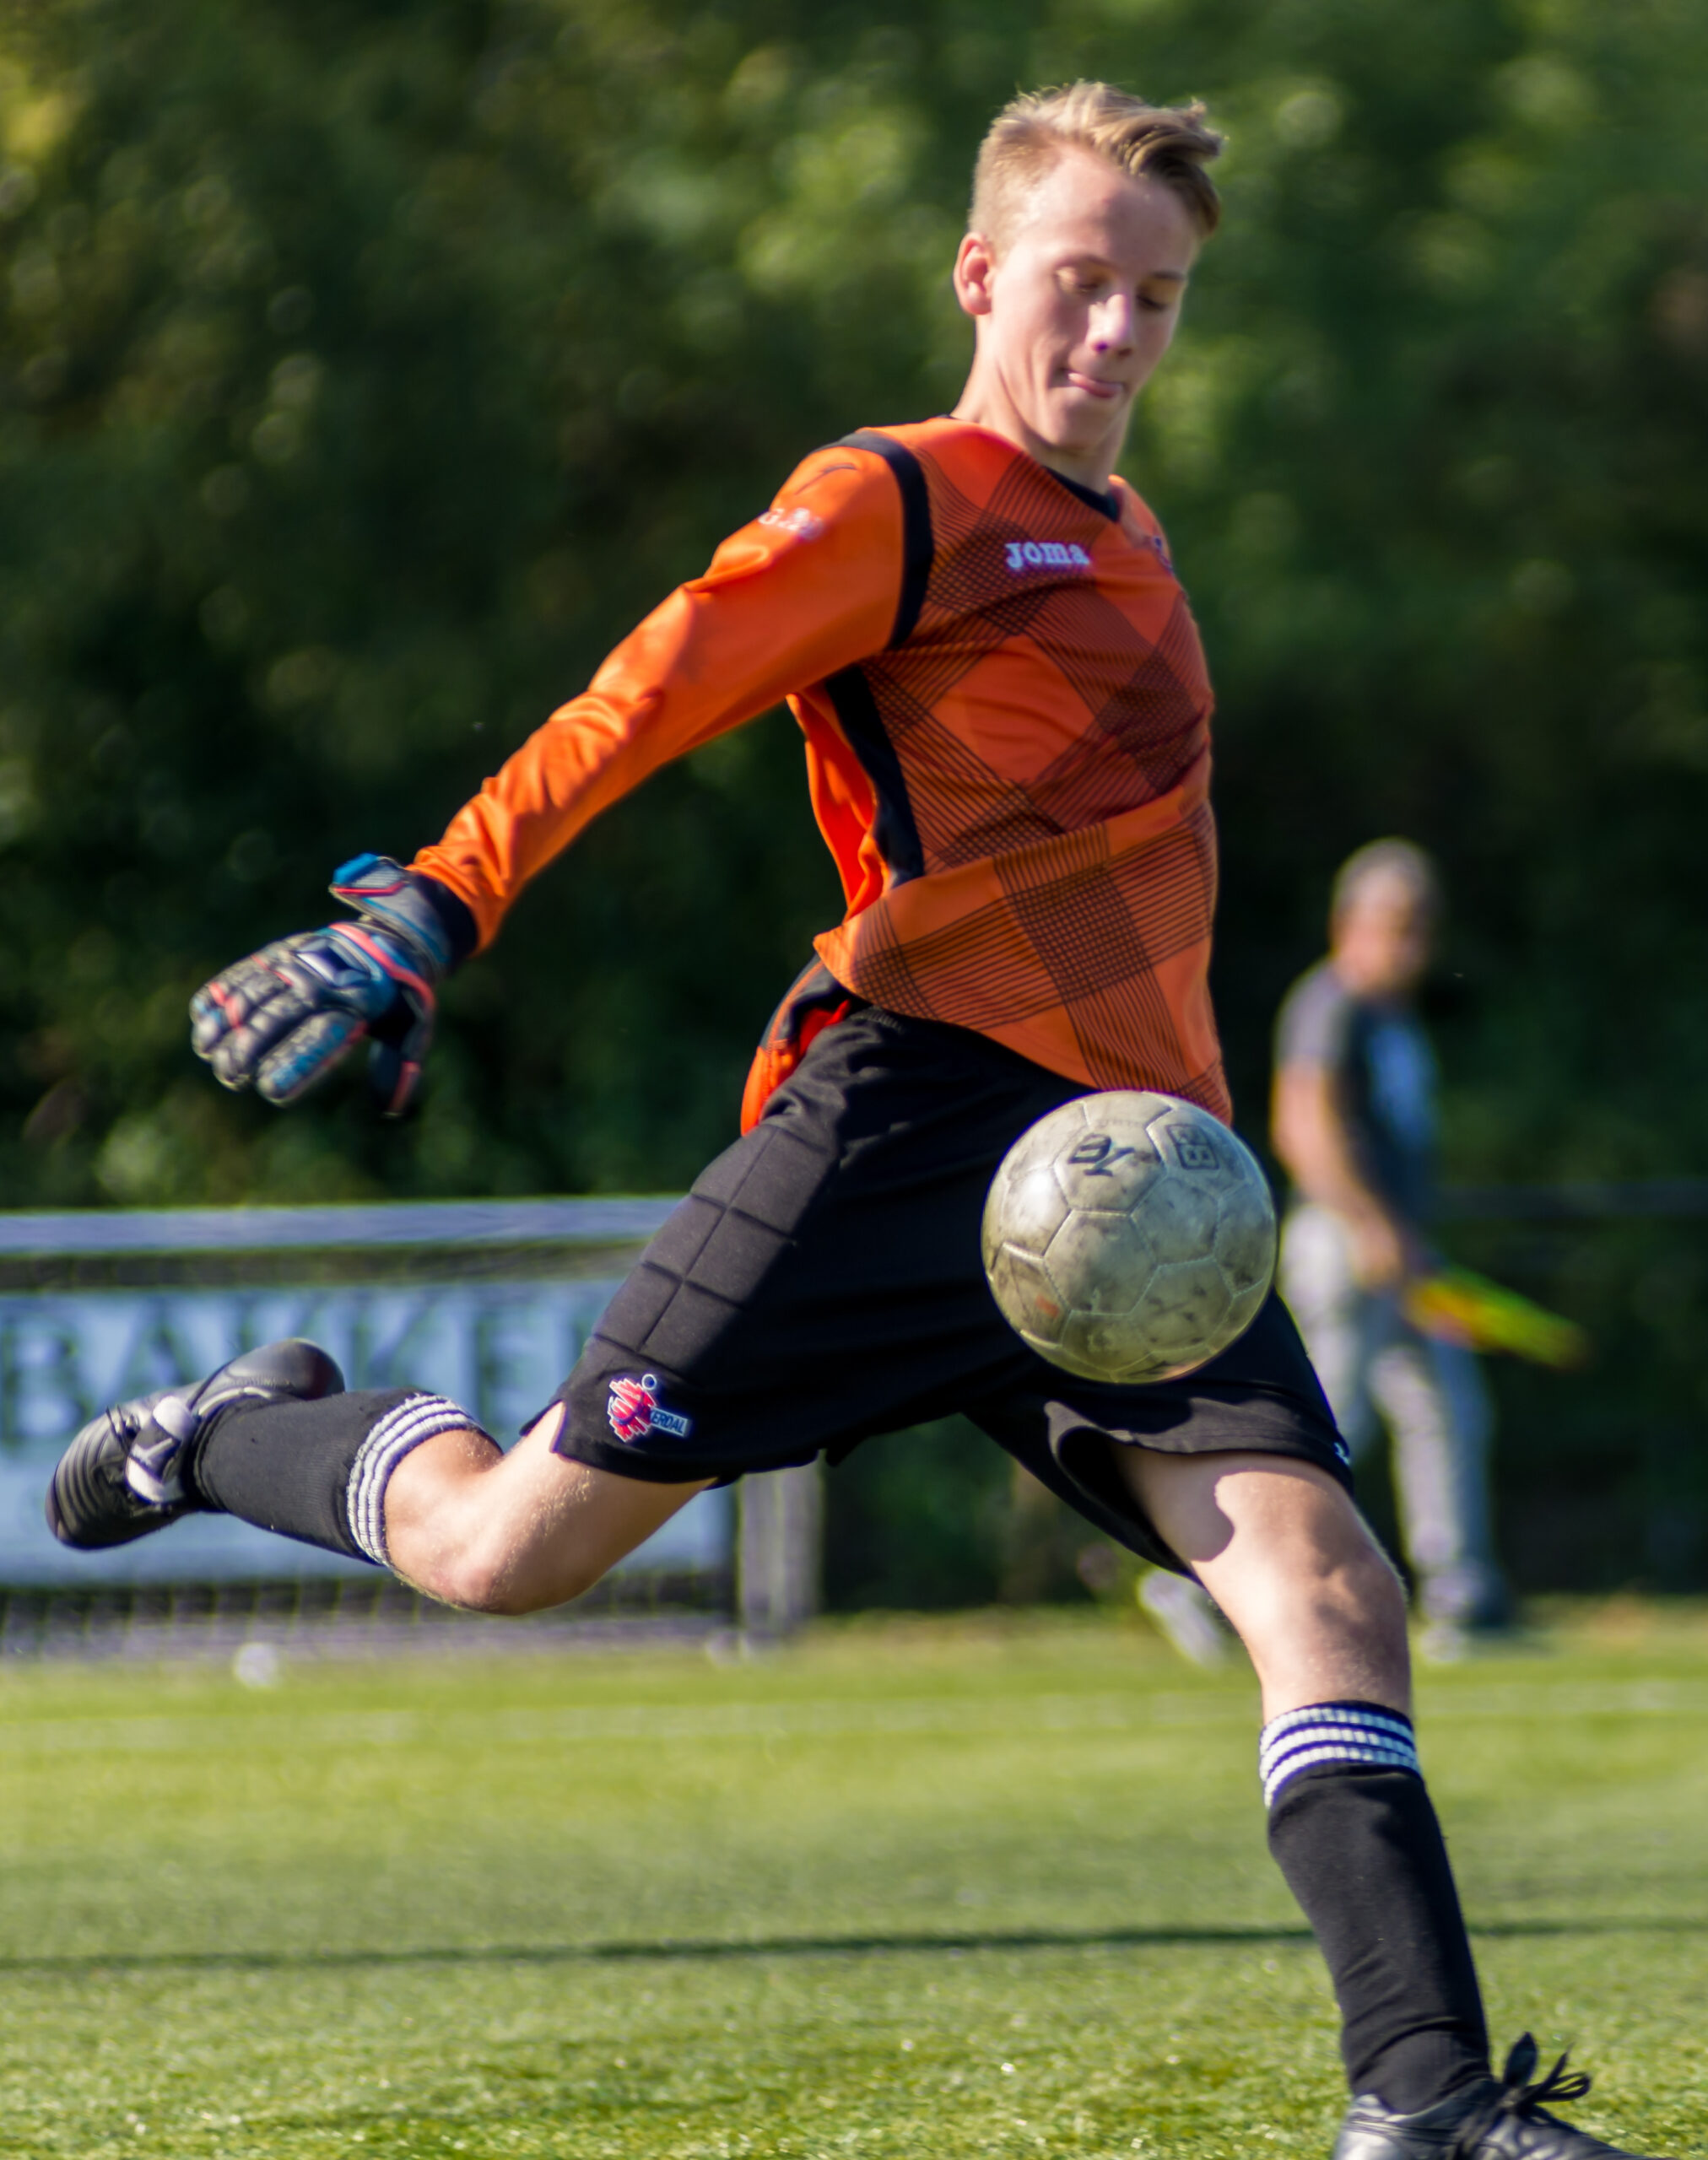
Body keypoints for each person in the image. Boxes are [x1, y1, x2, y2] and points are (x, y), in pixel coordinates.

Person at [46, 85, 1661, 2160]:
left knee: (1330, 1582)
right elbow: (660, 681)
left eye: (1155, 299)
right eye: (1080, 283)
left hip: (1130, 1188)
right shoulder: (906, 496)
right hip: (903, 1124)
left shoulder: (1140, 537)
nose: (1114, 333)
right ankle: (223, 1429)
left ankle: (1423, 2097)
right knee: (502, 1547)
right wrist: (438, 899)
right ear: (983, 273)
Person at [1272, 841, 1509, 1654]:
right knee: (1329, 1423)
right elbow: (1303, 1123)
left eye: (1420, 928)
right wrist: (1369, 1225)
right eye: (1393, 925)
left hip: (1403, 1252)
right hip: (1348, 1244)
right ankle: (1198, 1580)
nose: (1409, 946)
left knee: (1447, 1409)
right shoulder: (1330, 1002)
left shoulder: (1392, 1015)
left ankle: (1463, 1596)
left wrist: (1407, 1242)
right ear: (1349, 924)